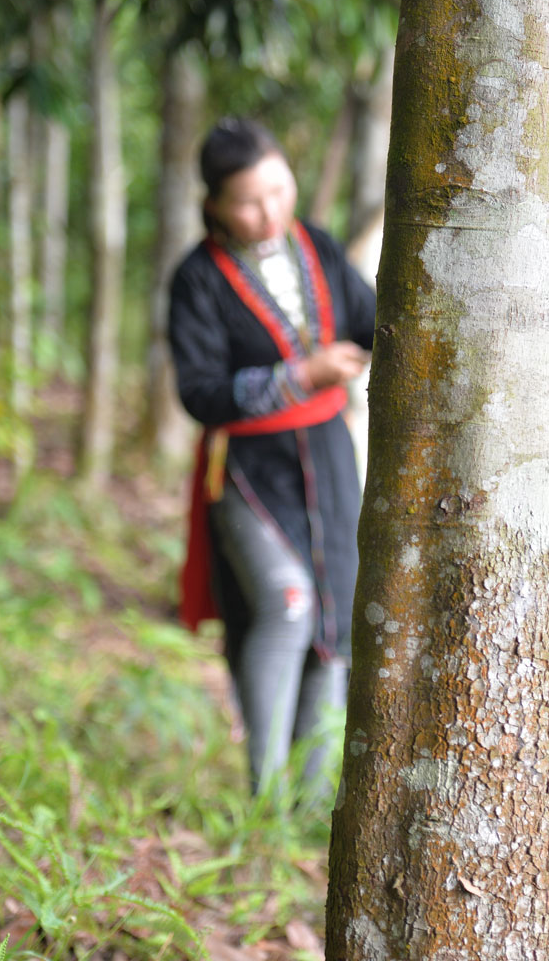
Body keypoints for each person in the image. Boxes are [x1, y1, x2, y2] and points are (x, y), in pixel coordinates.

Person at [169, 117, 375, 800]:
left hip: (328, 456)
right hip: (248, 467)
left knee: (334, 622)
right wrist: (301, 375)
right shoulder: (197, 279)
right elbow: (200, 392)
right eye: (249, 202)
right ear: (215, 208)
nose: (269, 213)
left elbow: (371, 319)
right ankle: (266, 796)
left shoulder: (315, 243)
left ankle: (311, 806)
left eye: (279, 191)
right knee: (286, 607)